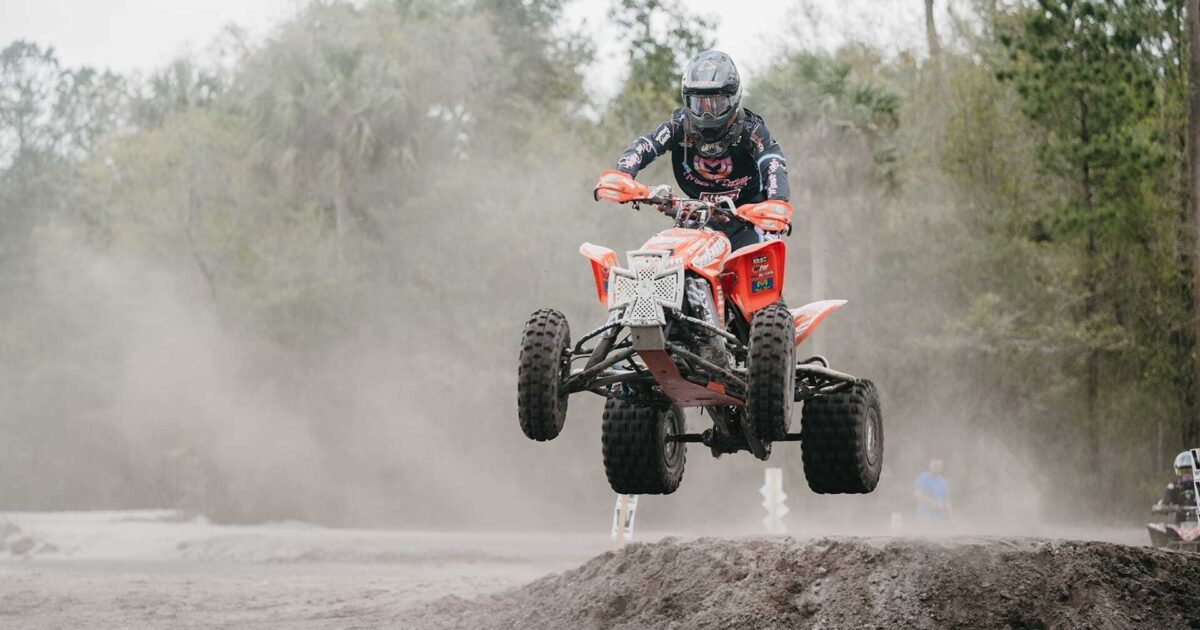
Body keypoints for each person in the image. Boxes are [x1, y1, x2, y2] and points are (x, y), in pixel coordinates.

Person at [594, 50, 793, 251]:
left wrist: (777, 201)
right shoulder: (678, 126)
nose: (707, 113)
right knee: (664, 258)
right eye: (699, 104)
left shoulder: (752, 131)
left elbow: (773, 163)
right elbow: (647, 144)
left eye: (716, 104)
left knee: (758, 260)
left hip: (750, 220)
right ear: (686, 101)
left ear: (733, 99)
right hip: (696, 218)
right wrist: (623, 173)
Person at [1153, 450, 1198, 524]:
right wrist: (1173, 508)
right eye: (1183, 472)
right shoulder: (1173, 487)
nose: (1187, 475)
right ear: (1178, 472)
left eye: (1190, 471)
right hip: (1179, 526)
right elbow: (1163, 505)